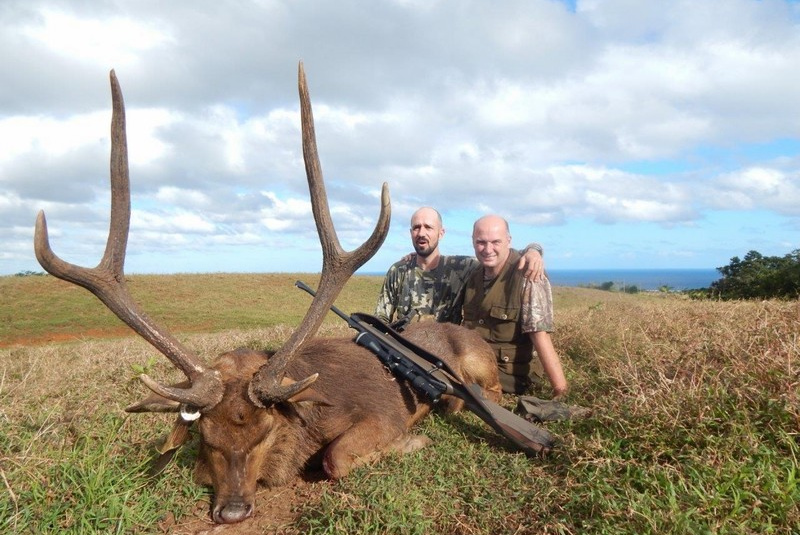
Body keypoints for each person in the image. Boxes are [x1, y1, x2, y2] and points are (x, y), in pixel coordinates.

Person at [375, 207, 545, 326]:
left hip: (446, 356)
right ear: (411, 232)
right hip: (403, 353)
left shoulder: (462, 267)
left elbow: (500, 255)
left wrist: (533, 250)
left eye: (428, 227)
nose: (421, 233)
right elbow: (381, 317)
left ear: (441, 233)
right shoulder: (398, 271)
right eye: (416, 227)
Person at [462, 214, 568, 400]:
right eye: (481, 242)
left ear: (508, 241)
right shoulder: (473, 272)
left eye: (496, 242)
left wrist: (560, 390)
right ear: (472, 241)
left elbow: (540, 337)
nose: (488, 249)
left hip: (510, 374)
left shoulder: (527, 274)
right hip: (475, 363)